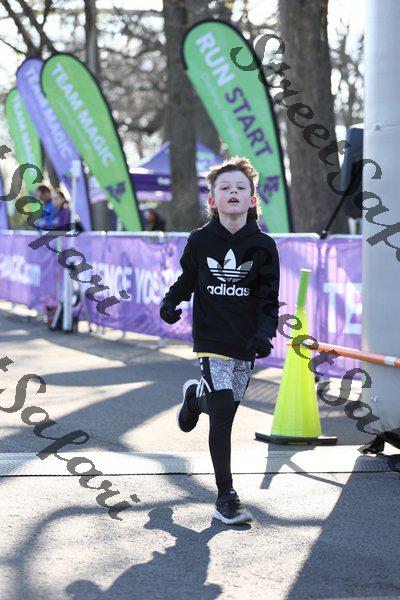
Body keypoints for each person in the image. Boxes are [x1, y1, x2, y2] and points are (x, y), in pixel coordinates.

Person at [159, 156, 280, 525]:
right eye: (225, 188)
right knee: (224, 411)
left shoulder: (263, 245)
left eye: (241, 187)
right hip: (211, 338)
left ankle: (195, 399)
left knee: (222, 406)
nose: (233, 192)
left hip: (245, 342)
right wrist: (171, 301)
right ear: (212, 199)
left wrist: (264, 333)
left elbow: (268, 298)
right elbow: (188, 279)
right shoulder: (200, 240)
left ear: (252, 199)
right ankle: (225, 496)